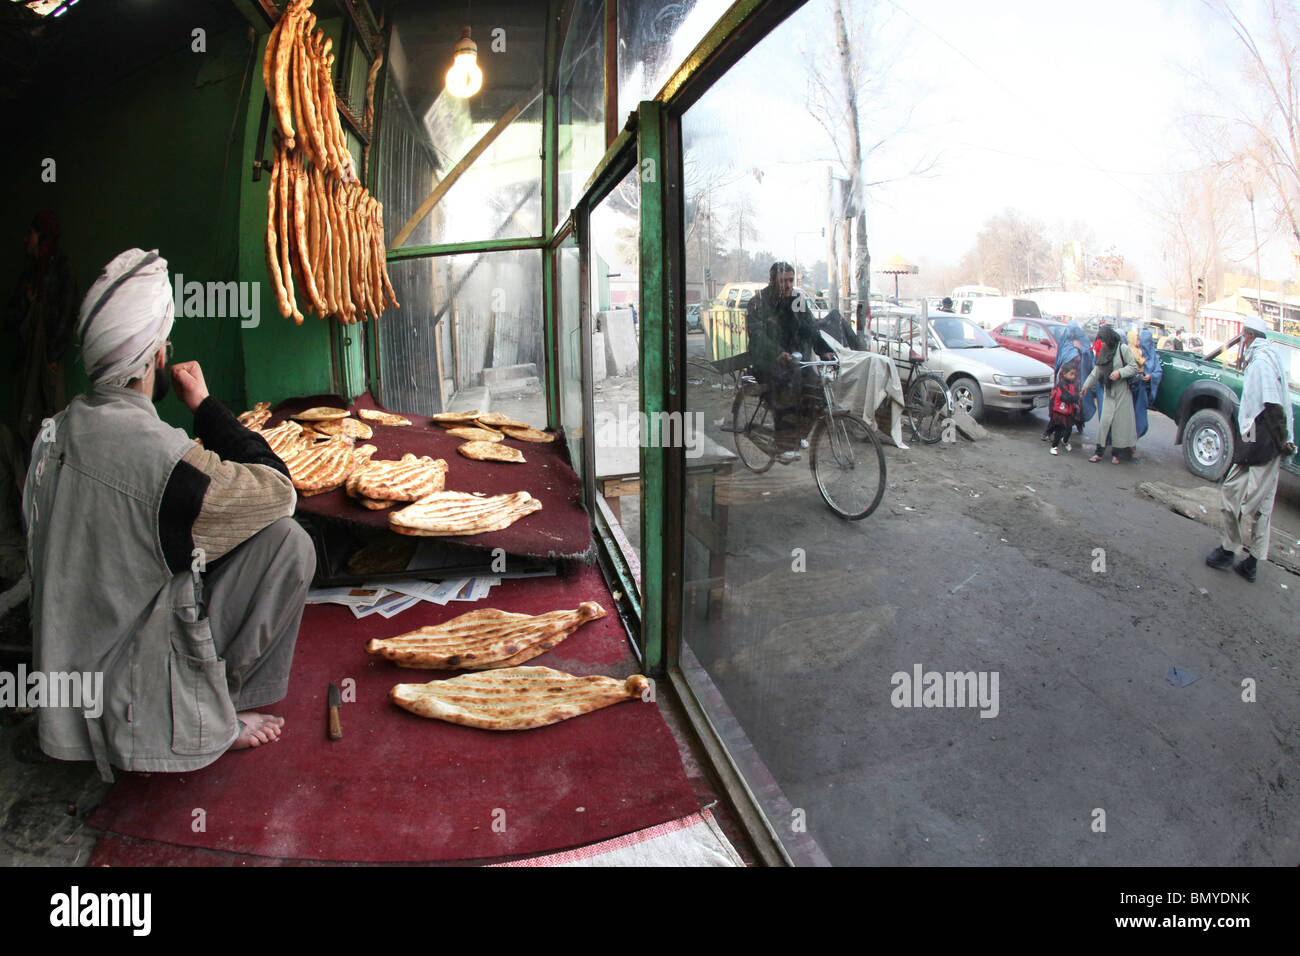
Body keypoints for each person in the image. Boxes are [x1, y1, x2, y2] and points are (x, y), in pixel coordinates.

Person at [22, 249, 315, 781]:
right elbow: (279, 490)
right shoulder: (163, 458)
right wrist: (204, 406)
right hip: (129, 701)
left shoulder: (56, 430)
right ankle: (214, 717)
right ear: (159, 356)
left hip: (66, 691)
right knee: (289, 542)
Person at [1205, 314, 1297, 583]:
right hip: (1270, 443)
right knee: (1263, 505)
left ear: (1248, 336)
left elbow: (1271, 405)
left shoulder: (1261, 363)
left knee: (1234, 493)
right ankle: (1252, 563)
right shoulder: (1272, 358)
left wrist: (1275, 441)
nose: (1242, 341)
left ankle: (1228, 549)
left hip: (1263, 444)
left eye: (1243, 336)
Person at [4, 211, 78, 472]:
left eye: (32, 234)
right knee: (24, 426)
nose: (27, 240)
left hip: (47, 365)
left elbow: (68, 312)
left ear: (43, 237)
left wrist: (53, 356)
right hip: (27, 365)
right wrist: (27, 304)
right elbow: (11, 318)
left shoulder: (61, 271)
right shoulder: (29, 276)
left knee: (50, 423)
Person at [745, 262, 828, 463]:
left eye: (791, 280)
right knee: (785, 389)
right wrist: (777, 353)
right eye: (783, 281)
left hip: (793, 361)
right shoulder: (758, 302)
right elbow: (757, 335)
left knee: (817, 391)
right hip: (766, 361)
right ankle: (783, 444)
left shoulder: (797, 300)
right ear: (772, 281)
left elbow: (810, 328)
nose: (788, 285)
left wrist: (825, 350)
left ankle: (797, 434)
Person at [1081, 325, 1140, 463]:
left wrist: (1120, 373)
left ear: (1109, 338)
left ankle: (1116, 455)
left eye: (1103, 340)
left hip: (1122, 392)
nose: (1101, 343)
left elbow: (1133, 367)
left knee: (1119, 425)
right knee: (1104, 423)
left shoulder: (1122, 349)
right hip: (1108, 391)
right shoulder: (1104, 351)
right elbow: (1097, 371)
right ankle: (1099, 453)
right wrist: (1086, 386)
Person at [1130, 328, 1163, 461]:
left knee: (1141, 421)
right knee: (1129, 420)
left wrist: (1151, 376)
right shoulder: (1133, 352)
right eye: (1143, 341)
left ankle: (1132, 444)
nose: (1145, 344)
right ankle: (1130, 447)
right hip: (1131, 391)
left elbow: (1158, 372)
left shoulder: (1154, 356)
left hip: (1142, 393)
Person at [1047, 361, 1081, 455]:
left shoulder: (1072, 384)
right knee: (1059, 429)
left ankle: (1065, 441)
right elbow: (1066, 398)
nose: (1073, 376)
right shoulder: (1061, 385)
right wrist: (1077, 397)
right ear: (1064, 373)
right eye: (1071, 374)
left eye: (1074, 374)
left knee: (1069, 428)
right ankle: (1054, 446)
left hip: (1068, 411)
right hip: (1060, 411)